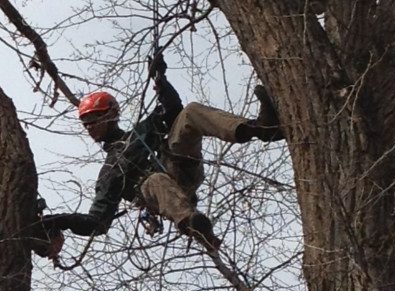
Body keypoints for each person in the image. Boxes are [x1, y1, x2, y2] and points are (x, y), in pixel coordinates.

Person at [37, 55, 282, 256]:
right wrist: (62, 220)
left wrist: (161, 80)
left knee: (190, 113)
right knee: (154, 181)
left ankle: (260, 129)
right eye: (86, 123)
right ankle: (193, 224)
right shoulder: (110, 171)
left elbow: (172, 111)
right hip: (159, 195)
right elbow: (97, 222)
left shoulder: (141, 132)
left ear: (111, 114)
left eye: (94, 119)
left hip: (177, 167)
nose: (90, 127)